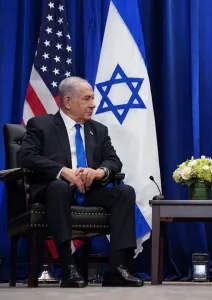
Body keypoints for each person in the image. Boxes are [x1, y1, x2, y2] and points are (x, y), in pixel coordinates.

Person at [19, 76, 143, 288]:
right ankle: (67, 266)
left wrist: (99, 172)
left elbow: (113, 161)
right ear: (67, 102)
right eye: (87, 99)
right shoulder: (41, 125)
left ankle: (117, 269)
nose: (93, 104)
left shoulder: (98, 129)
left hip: (89, 191)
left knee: (125, 192)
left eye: (92, 98)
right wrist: (62, 171)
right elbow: (26, 156)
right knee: (58, 187)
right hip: (55, 191)